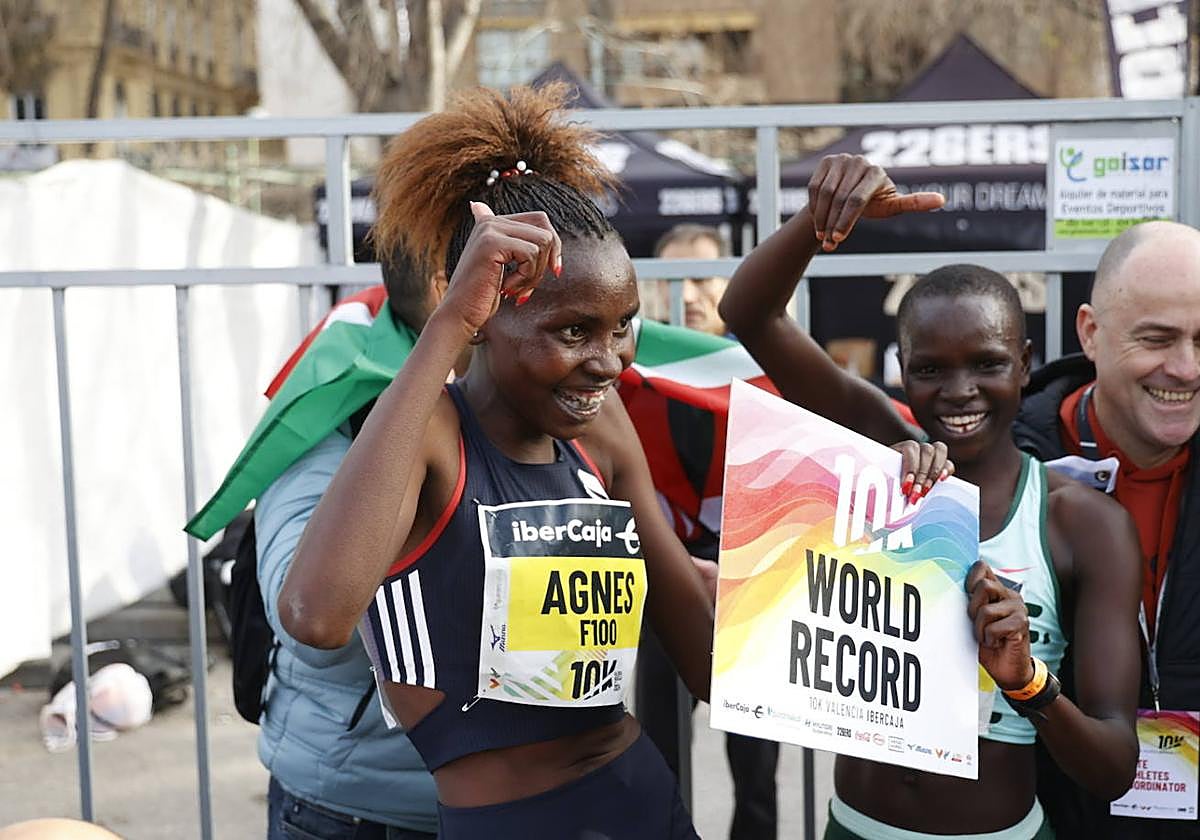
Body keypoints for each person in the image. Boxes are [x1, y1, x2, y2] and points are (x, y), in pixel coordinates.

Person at [276, 87, 946, 838]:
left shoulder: (601, 429)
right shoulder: (431, 431)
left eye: (623, 325)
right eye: (573, 331)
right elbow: (315, 616)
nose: (609, 361)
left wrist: (881, 529)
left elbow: (706, 662)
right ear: (485, 314)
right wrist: (447, 326)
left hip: (644, 802)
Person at [719, 153, 1142, 840]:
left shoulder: (1082, 523)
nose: (959, 391)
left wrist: (1026, 679)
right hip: (853, 827)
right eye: (929, 369)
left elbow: (1114, 765)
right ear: (902, 370)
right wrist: (821, 218)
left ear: (1025, 364)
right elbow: (747, 312)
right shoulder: (877, 451)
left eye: (987, 363)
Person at [1012, 220, 1200, 840]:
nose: (1186, 368)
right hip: (1048, 819)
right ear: (1091, 332)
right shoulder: (1001, 468)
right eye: (1157, 339)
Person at [256, 247, 442, 839]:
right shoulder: (334, 399)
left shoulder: (556, 405)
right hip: (362, 806)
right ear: (448, 286)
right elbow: (308, 625)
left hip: (521, 801)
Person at [639, 223, 781, 840]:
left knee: (758, 765)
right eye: (673, 279)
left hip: (753, 577)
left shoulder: (768, 372)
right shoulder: (624, 373)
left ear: (730, 286)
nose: (689, 294)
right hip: (663, 577)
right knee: (660, 754)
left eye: (703, 277)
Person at [650, 224, 730, 335]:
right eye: (671, 281)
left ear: (728, 282)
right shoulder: (640, 344)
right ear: (658, 285)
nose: (687, 297)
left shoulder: (751, 344)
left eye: (700, 279)